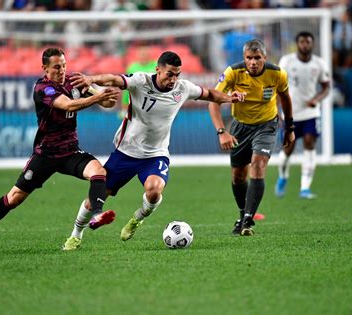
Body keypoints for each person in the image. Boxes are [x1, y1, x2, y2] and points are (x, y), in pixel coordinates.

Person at [62, 51, 244, 250]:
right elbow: (114, 79)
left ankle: (137, 218)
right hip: (126, 152)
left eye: (177, 74)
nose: (173, 79)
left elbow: (209, 94)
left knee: (154, 190)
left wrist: (229, 98)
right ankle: (76, 235)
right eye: (169, 74)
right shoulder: (141, 81)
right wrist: (91, 79)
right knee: (96, 198)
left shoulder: (183, 88)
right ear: (158, 69)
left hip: (156, 154)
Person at [0, 47, 120, 254]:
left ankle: (96, 214)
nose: (62, 71)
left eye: (64, 66)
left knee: (98, 171)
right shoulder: (43, 88)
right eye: (57, 67)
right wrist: (96, 97)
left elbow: (108, 102)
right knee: (15, 198)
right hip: (46, 154)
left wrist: (104, 95)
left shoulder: (73, 82)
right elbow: (68, 105)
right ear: (45, 68)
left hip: (70, 151)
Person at [208, 39, 294, 236]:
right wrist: (222, 132)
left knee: (258, 164)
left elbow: (285, 98)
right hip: (240, 127)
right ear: (244, 58)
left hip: (267, 125)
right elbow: (213, 101)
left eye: (257, 58)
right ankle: (242, 213)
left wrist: (289, 127)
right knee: (238, 175)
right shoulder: (232, 73)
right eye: (249, 58)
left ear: (264, 57)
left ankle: (248, 218)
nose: (253, 62)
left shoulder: (277, 73)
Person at [275, 31, 330, 199]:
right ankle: (283, 176)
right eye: (302, 41)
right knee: (288, 149)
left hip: (311, 113)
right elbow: (277, 86)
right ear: (297, 43)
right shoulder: (286, 61)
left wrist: (317, 98)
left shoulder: (320, 64)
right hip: (290, 113)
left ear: (312, 44)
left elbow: (326, 86)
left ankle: (305, 187)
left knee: (309, 143)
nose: (305, 44)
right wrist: (277, 112)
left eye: (308, 41)